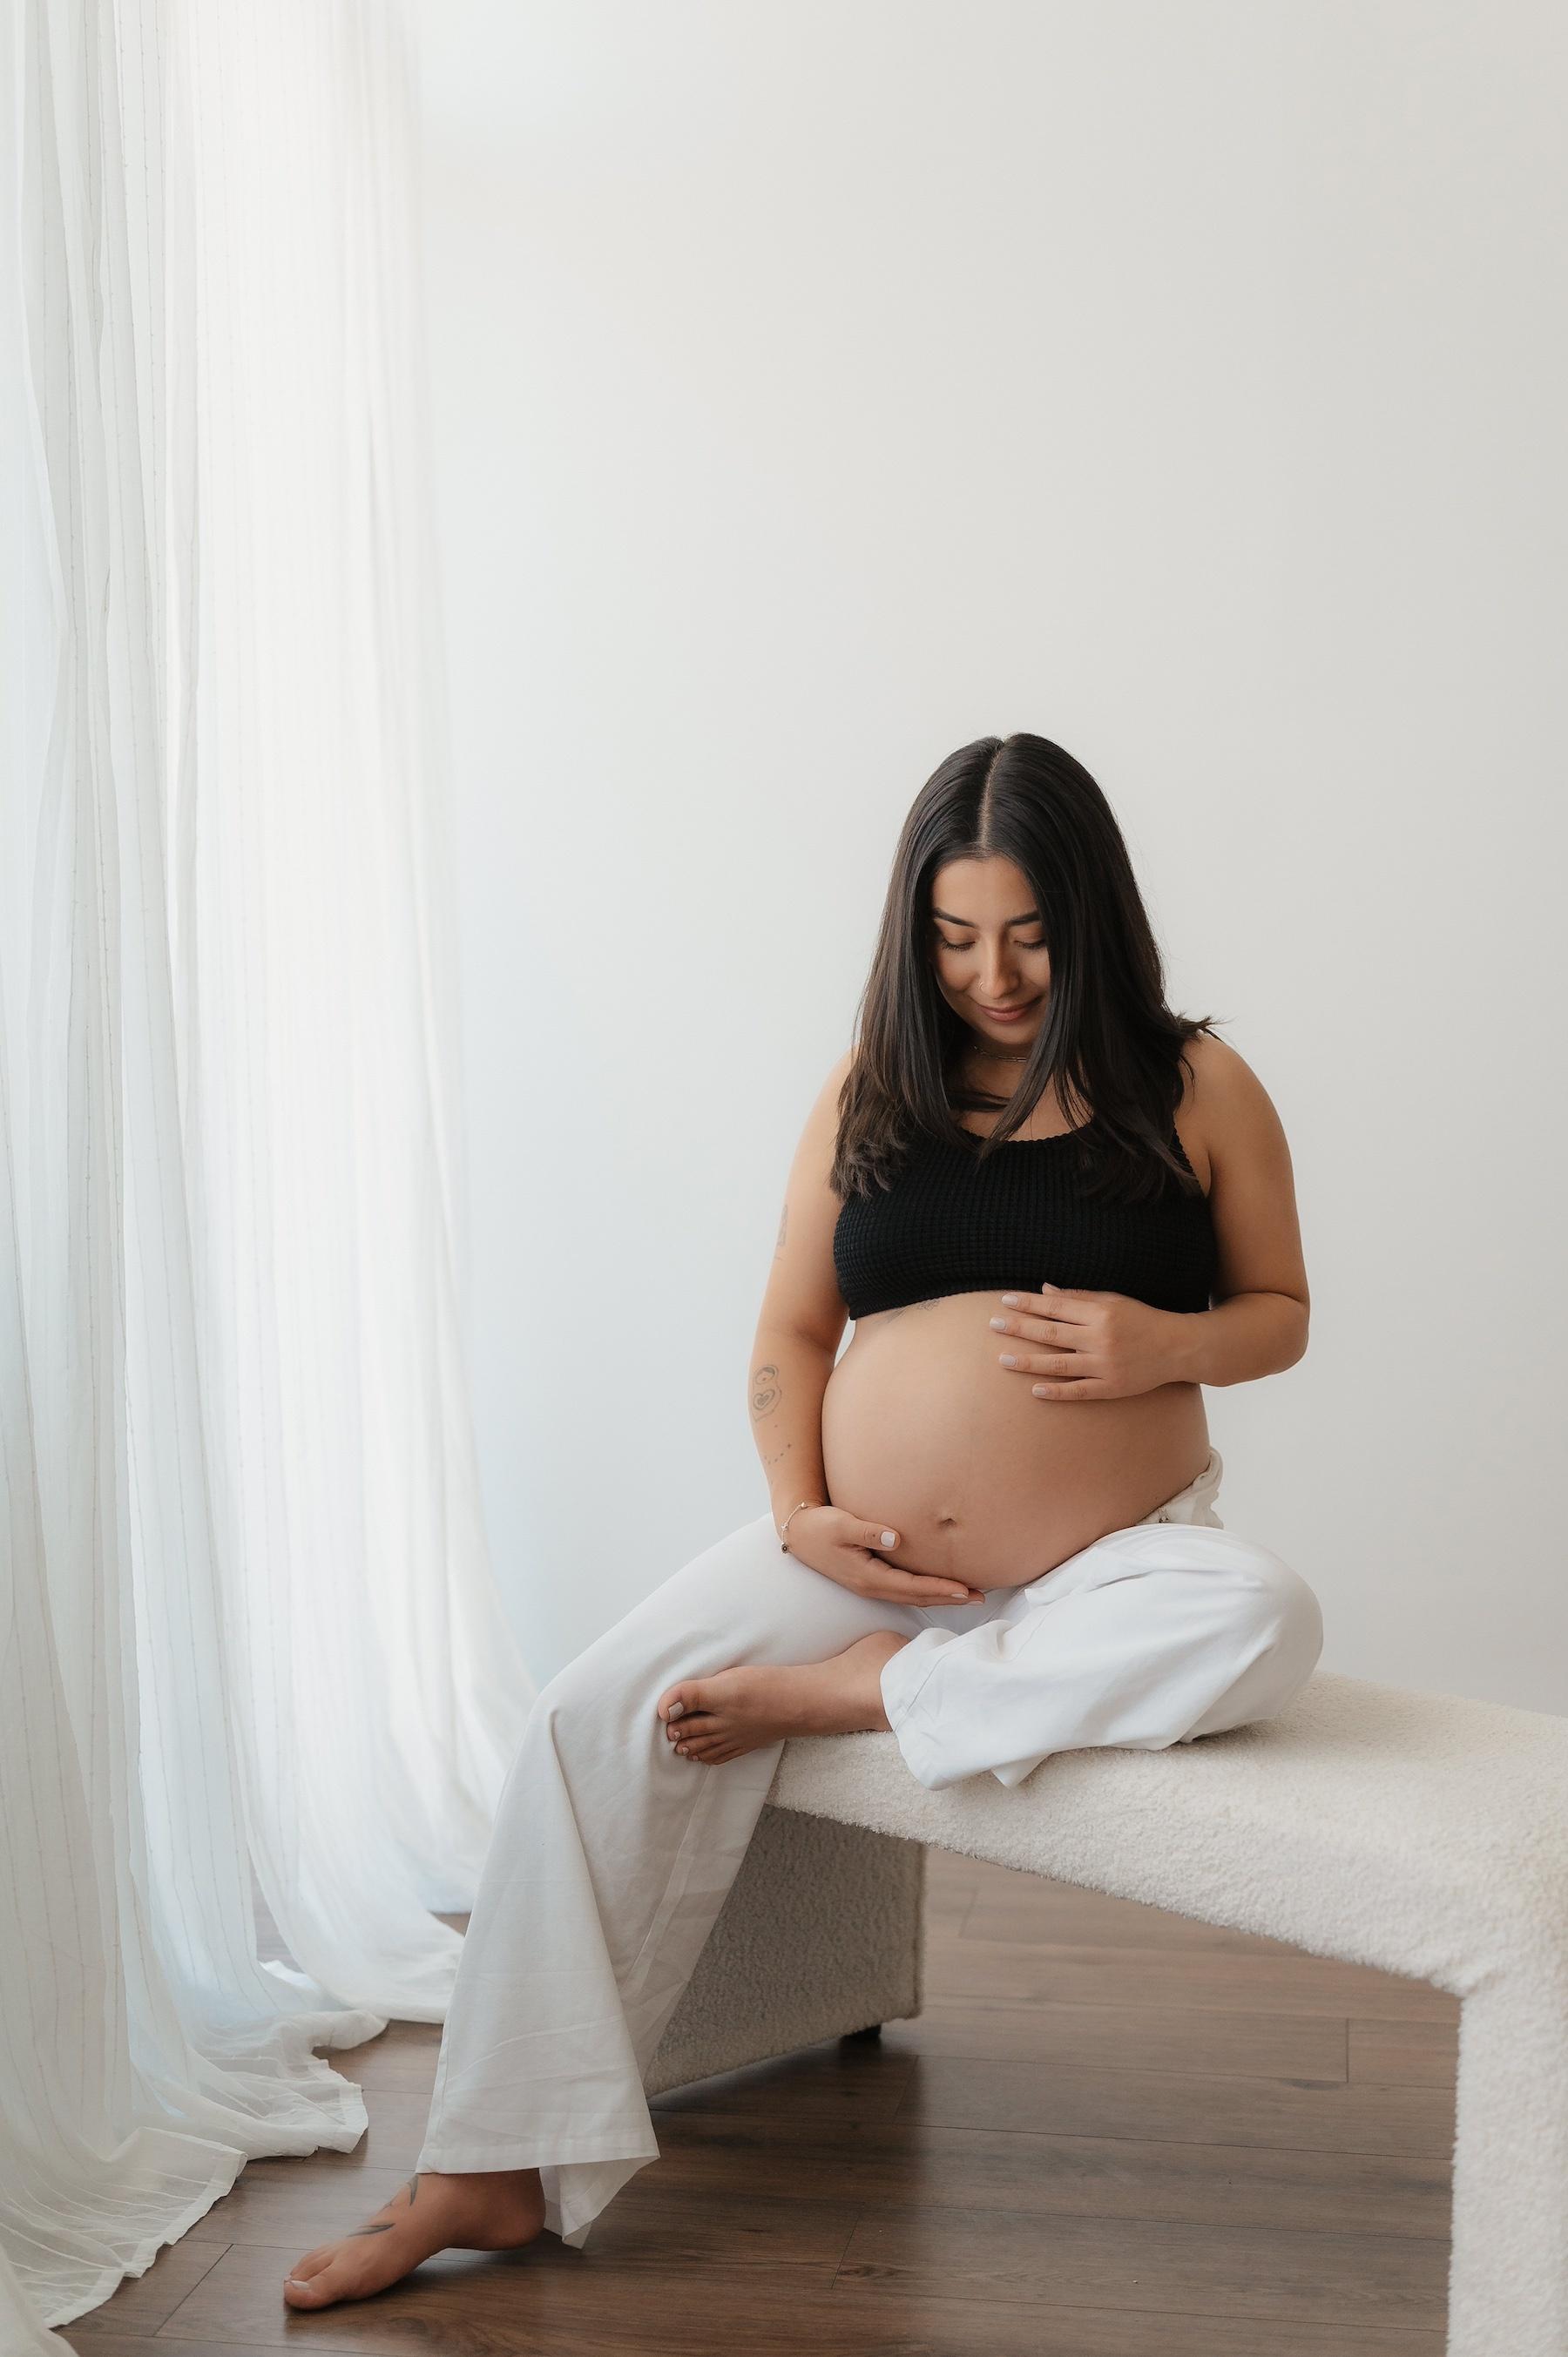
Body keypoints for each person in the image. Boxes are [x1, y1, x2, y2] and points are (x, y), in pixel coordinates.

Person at [282, 730, 1324, 2309]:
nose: (995, 974)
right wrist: (801, 1512)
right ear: (916, 931)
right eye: (957, 936)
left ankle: (868, 1699)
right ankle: (482, 2169)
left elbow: (1281, 1310)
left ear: (1093, 915)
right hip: (867, 1558)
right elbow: (788, 1338)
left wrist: (1164, 1342)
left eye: (1032, 936)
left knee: (1263, 1615)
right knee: (586, 1713)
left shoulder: (1199, 1085)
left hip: (1103, 1565)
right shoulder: (874, 1084)